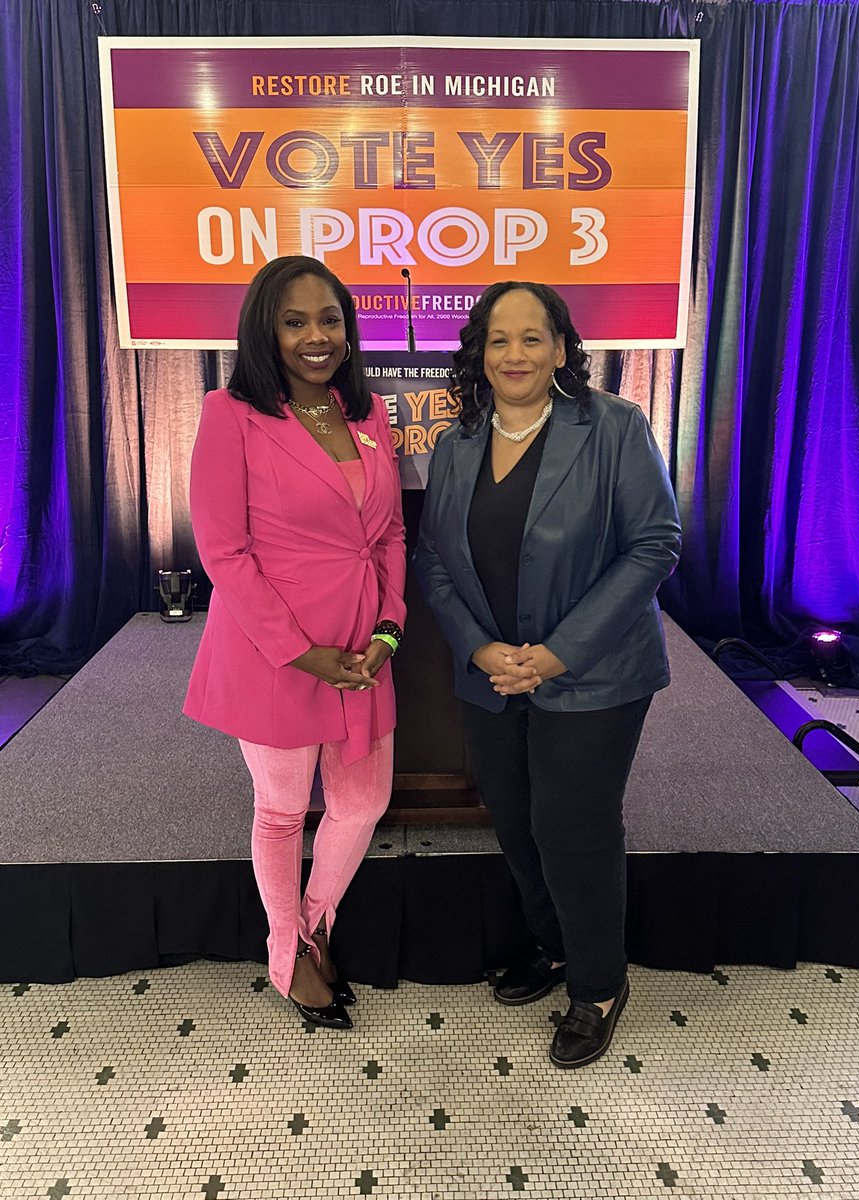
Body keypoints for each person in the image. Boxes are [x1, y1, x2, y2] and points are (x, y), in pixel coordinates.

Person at [413, 282, 681, 1067]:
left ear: (561, 348)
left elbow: (655, 543)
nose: (515, 354)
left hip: (597, 674)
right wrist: (478, 648)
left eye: (533, 338)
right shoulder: (457, 442)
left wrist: (561, 651)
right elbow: (432, 559)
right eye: (499, 340)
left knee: (573, 827)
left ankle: (598, 985)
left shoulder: (615, 427)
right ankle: (557, 946)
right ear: (480, 354)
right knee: (516, 817)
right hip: (493, 678)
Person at [184, 255, 405, 1030]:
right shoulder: (230, 415)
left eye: (330, 319)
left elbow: (389, 534)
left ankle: (308, 928)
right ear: (265, 332)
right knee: (281, 810)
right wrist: (302, 652)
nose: (318, 336)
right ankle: (292, 953)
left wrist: (389, 630)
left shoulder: (367, 413)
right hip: (274, 649)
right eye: (296, 321)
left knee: (364, 801)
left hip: (362, 648)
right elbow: (224, 553)